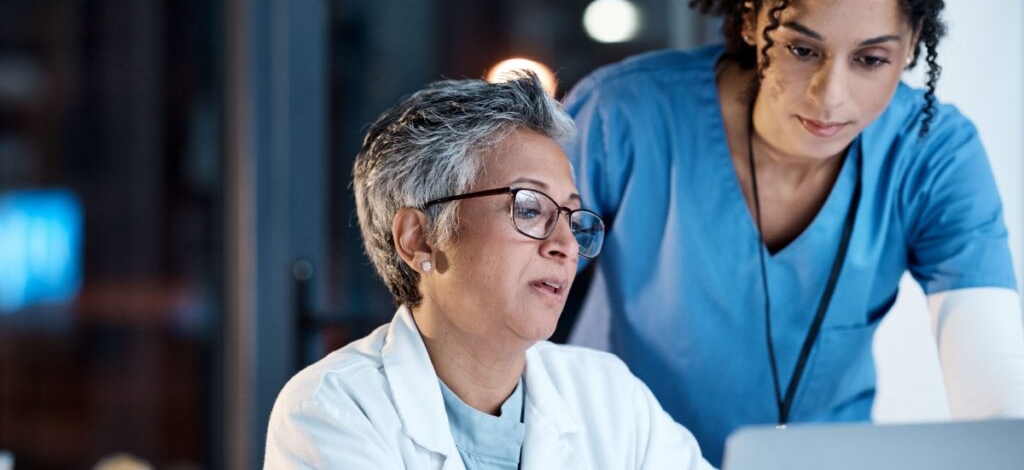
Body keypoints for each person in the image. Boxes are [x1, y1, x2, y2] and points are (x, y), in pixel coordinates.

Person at [563, 0, 1024, 465]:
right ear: (752, 19)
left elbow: (996, 398)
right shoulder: (624, 114)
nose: (831, 97)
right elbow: (501, 303)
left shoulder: (932, 153)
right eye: (803, 50)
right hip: (623, 455)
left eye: (871, 59)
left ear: (914, 41)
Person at [264, 74, 714, 469]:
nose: (564, 245)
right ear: (418, 239)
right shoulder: (334, 409)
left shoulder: (609, 395)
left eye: (573, 218)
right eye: (529, 208)